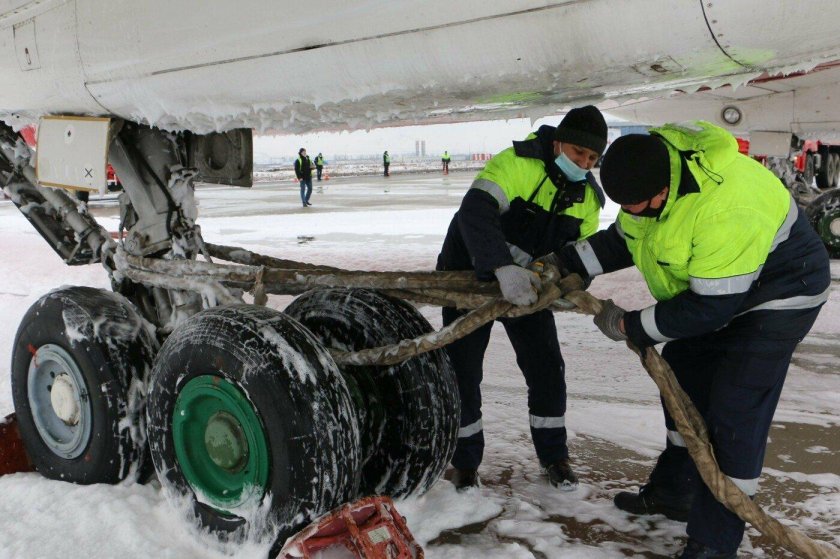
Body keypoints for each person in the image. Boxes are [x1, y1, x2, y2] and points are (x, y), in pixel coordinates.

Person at [552, 122, 830, 558]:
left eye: (638, 205)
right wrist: (561, 265)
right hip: (724, 288)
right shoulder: (652, 181)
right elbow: (624, 238)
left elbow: (710, 310)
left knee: (734, 411)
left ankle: (714, 542)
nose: (633, 212)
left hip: (781, 293)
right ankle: (675, 493)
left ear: (662, 191)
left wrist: (629, 325)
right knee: (684, 370)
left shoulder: (723, 208)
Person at [436, 105, 609, 492]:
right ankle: (464, 464)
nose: (584, 162)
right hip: (470, 280)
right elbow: (474, 213)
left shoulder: (588, 200)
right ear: (560, 141)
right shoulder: (516, 162)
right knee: (464, 373)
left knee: (547, 369)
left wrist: (568, 286)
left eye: (592, 158)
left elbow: (580, 256)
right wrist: (498, 266)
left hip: (527, 293)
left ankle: (555, 457)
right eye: (579, 153)